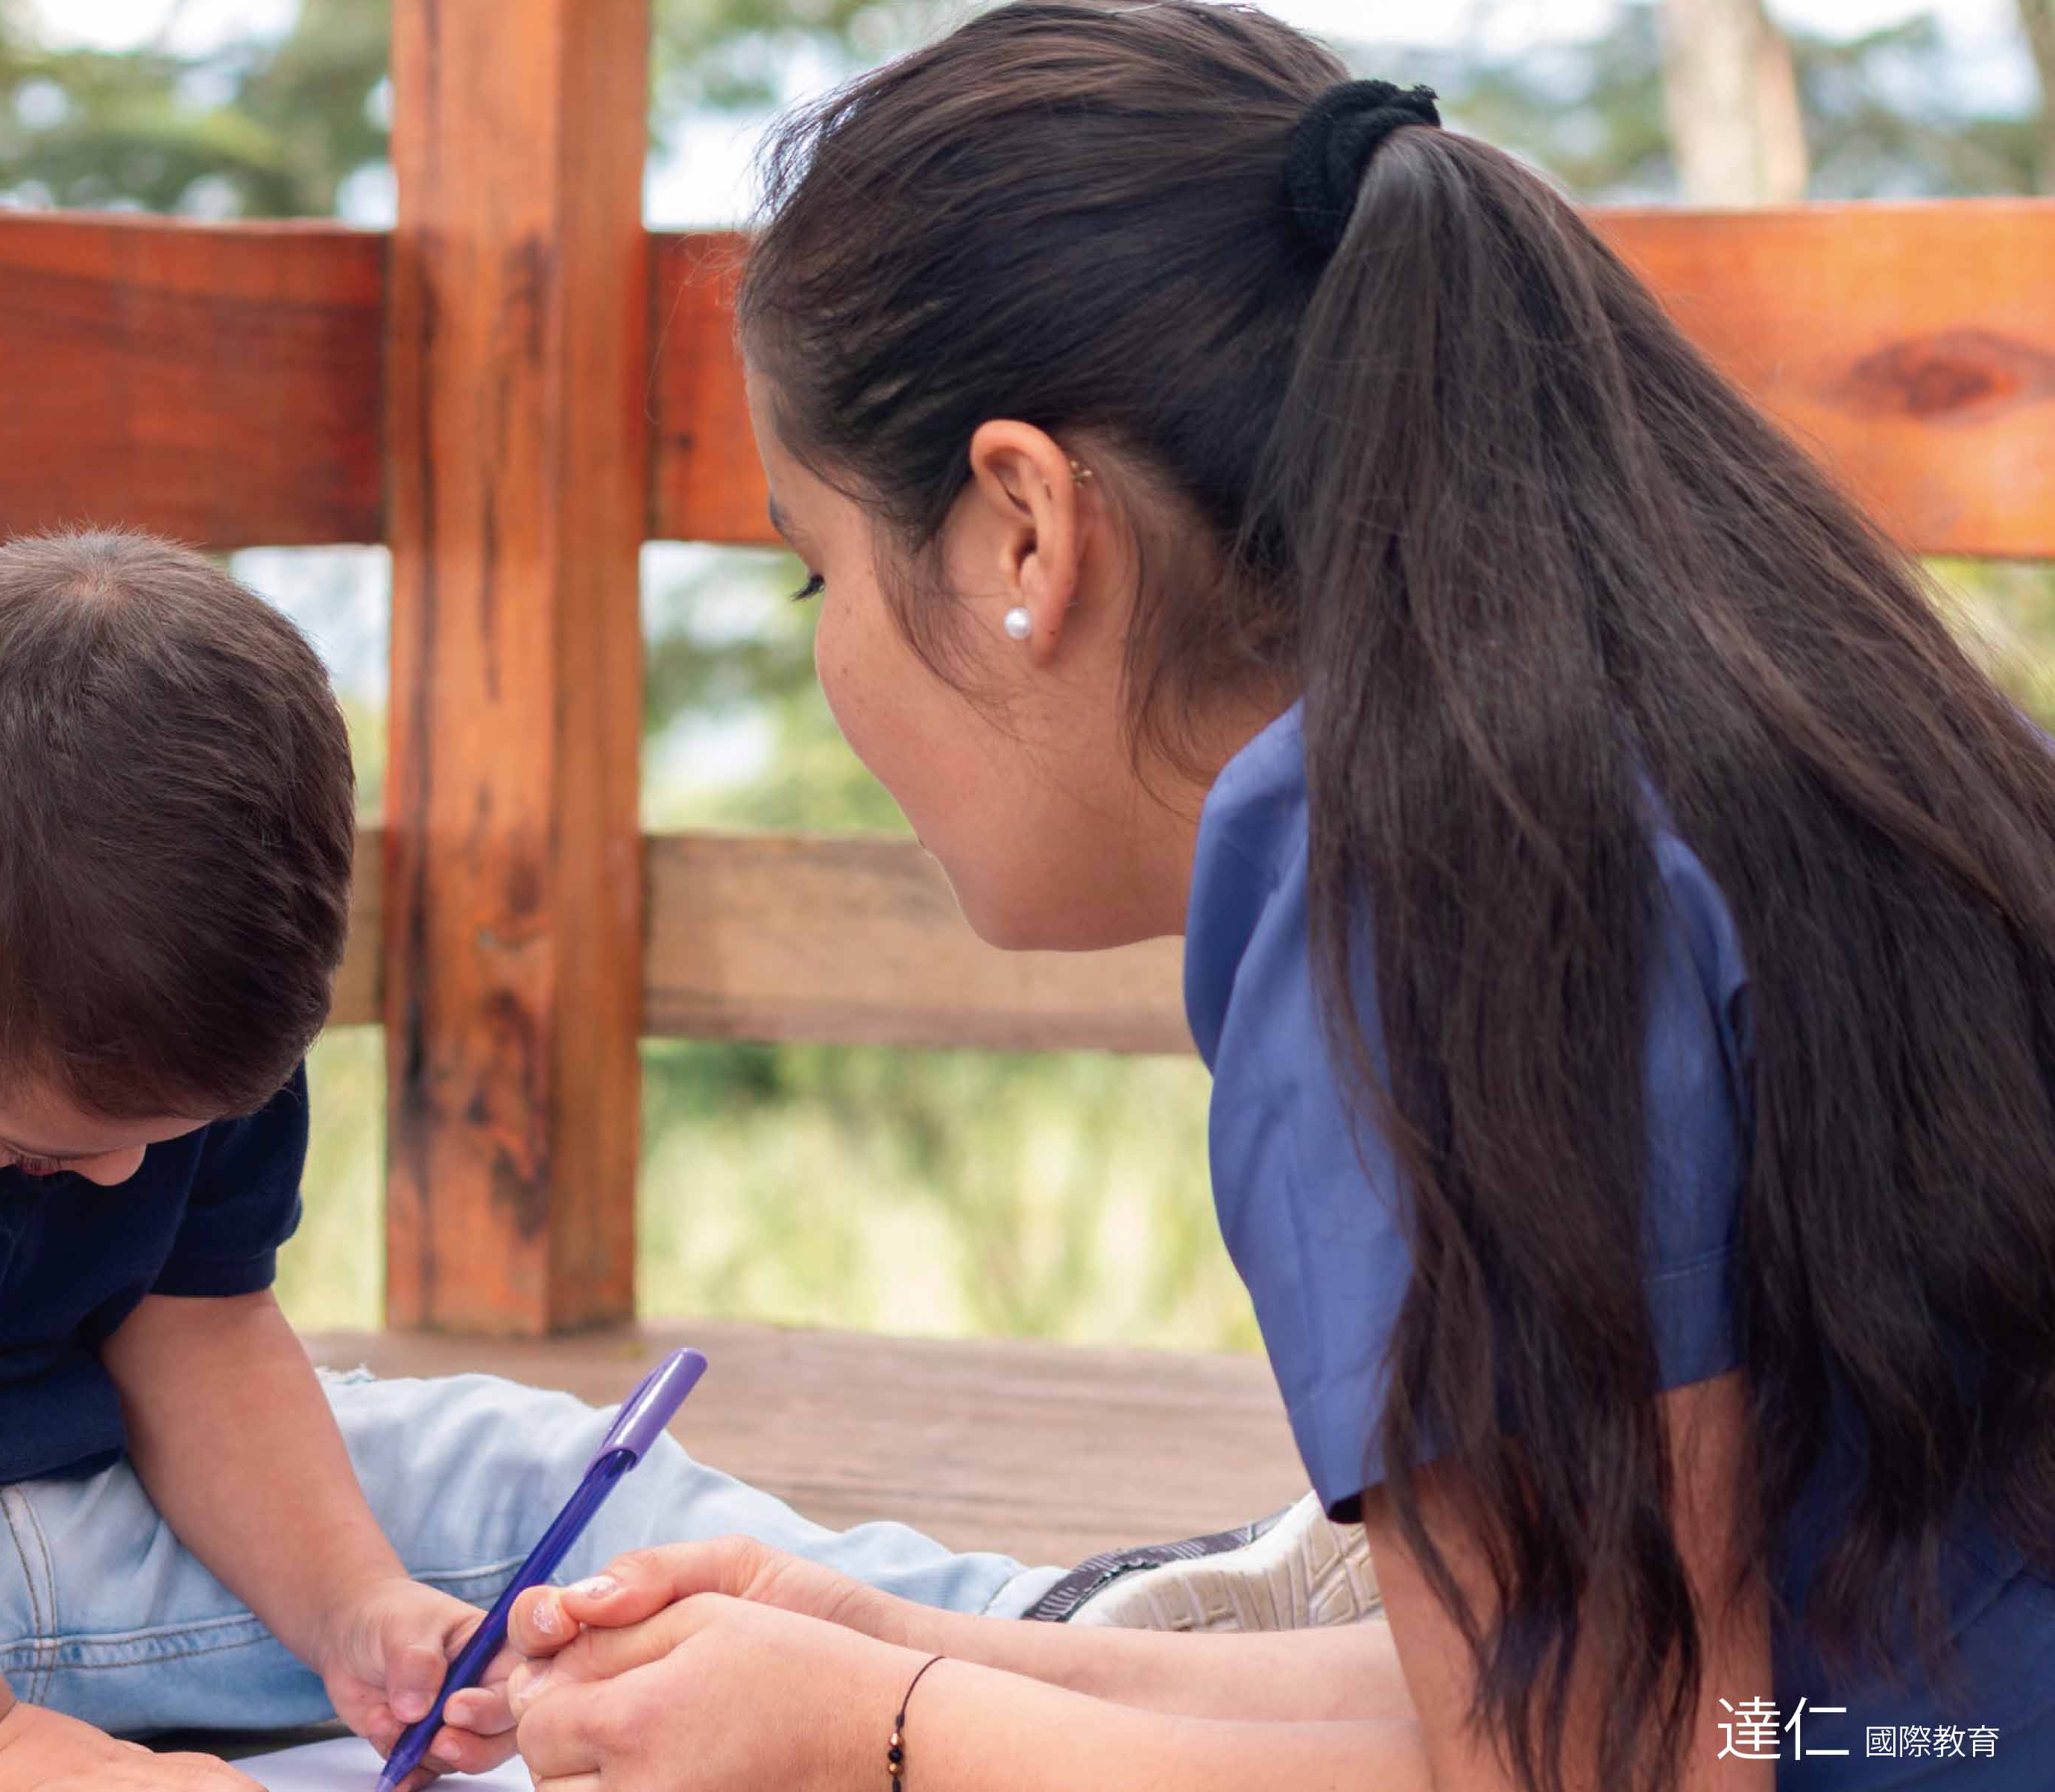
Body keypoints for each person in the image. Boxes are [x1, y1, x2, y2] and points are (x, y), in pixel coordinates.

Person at [493, 6, 2055, 1791]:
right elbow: (1635, 1693)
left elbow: (1611, 1766)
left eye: (812, 571)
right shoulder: (1728, 706)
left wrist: (879, 1745)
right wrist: (888, 1645)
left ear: (1022, 525)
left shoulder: (1412, 871)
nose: (833, 659)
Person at [0, 529, 1371, 1792]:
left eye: (160, 1136)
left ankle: (1084, 1624)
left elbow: (205, 1327)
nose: (106, 1181)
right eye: (50, 1146)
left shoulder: (183, 923)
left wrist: (349, 1608)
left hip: (66, 1492)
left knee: (502, 1474)